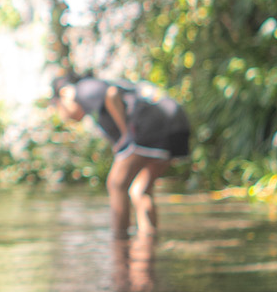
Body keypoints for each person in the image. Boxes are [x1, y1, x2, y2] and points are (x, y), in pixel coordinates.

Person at [49, 73, 192, 238]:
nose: (63, 116)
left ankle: (119, 245)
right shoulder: (97, 90)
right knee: (141, 190)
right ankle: (149, 241)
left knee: (117, 185)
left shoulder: (83, 89)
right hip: (177, 123)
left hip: (151, 125)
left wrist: (126, 133)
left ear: (64, 94)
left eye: (59, 108)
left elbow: (112, 93)